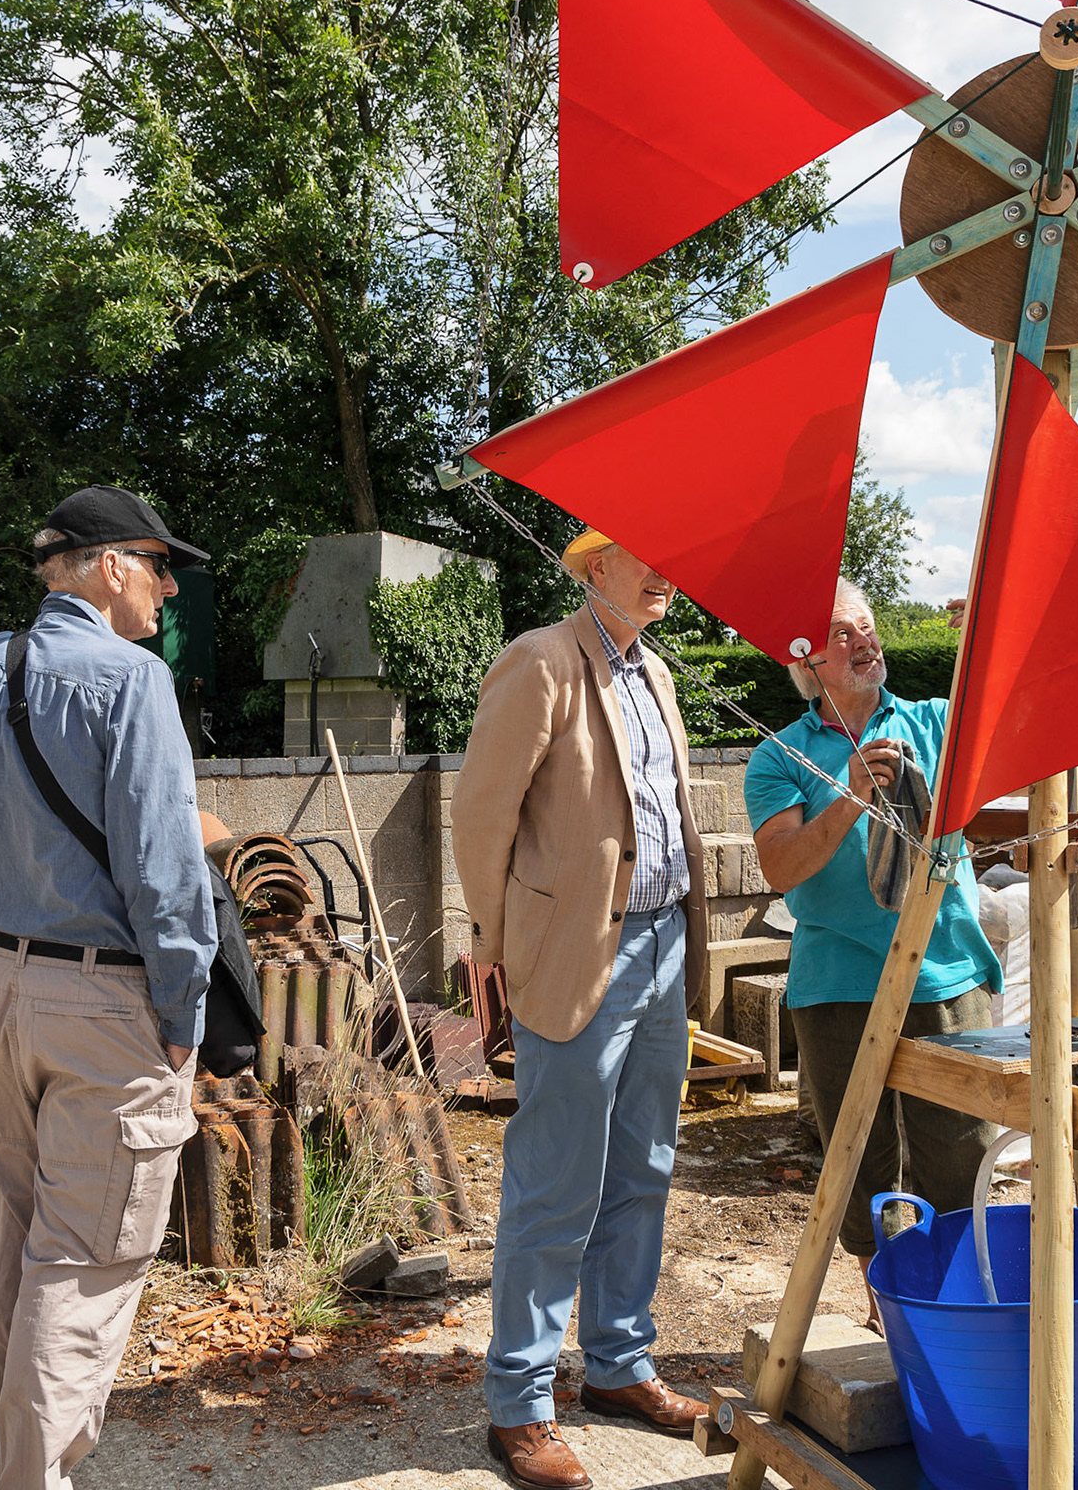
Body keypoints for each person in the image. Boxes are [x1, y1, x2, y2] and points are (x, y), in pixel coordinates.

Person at [0, 485, 216, 1490]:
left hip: (9, 992)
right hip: (110, 1007)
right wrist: (182, 1011)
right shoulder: (133, 678)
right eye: (158, 564)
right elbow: (165, 869)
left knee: (22, 1244)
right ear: (109, 564)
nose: (167, 587)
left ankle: (3, 1470)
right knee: (88, 1262)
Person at [451, 529, 712, 1490]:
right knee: (557, 1179)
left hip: (663, 945)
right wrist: (491, 944)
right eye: (646, 555)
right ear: (597, 567)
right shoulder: (541, 661)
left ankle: (619, 1365)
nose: (665, 572)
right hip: (573, 954)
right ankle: (520, 1404)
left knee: (645, 1165)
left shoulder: (657, 673)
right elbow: (482, 814)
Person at [743, 578, 1000, 1328]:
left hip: (946, 974)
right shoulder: (781, 757)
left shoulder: (937, 721)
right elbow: (781, 868)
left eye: (867, 627)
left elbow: (1019, 713)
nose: (865, 642)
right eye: (842, 633)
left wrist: (986, 633)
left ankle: (956, 1316)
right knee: (860, 1162)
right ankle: (888, 1312)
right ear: (806, 661)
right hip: (838, 984)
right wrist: (849, 795)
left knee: (964, 1155)